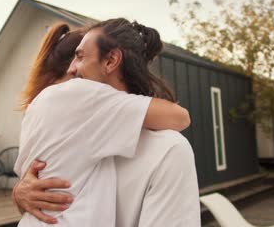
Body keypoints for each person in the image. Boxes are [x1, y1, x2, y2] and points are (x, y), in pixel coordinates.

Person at [14, 18, 201, 227]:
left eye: (80, 57)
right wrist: (20, 193)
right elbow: (181, 116)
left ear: (111, 60)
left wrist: (19, 193)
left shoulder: (167, 149)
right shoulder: (74, 114)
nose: (72, 70)